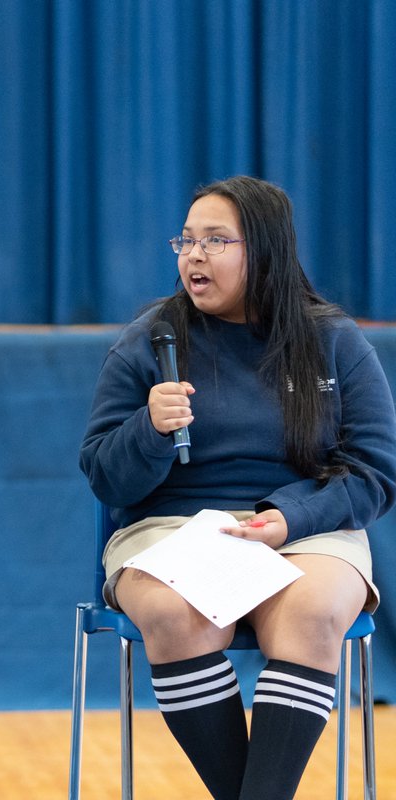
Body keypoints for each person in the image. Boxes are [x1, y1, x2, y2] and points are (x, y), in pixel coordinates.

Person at [79, 175, 396, 800]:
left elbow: (375, 470)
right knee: (172, 611)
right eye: (186, 240)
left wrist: (287, 518)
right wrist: (149, 429)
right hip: (172, 526)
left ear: (266, 250)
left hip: (308, 525)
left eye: (215, 241)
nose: (193, 256)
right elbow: (103, 475)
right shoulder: (151, 339)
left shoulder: (332, 339)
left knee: (312, 613)